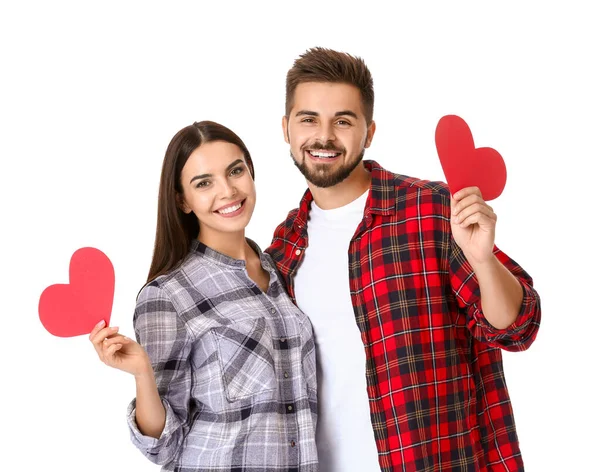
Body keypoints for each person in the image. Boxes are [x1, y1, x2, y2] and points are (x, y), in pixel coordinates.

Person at [266, 47, 541, 472]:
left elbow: (517, 329)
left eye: (343, 120)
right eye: (308, 119)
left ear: (369, 131)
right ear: (286, 128)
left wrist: (483, 261)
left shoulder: (429, 209)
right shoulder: (284, 247)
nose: (324, 137)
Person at [89, 121, 318, 472]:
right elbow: (162, 447)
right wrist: (142, 374)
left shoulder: (282, 272)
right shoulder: (167, 295)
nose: (227, 190)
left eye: (236, 171)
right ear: (182, 200)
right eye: (204, 183)